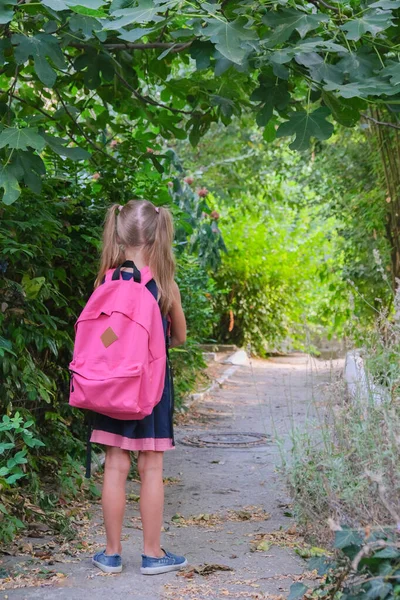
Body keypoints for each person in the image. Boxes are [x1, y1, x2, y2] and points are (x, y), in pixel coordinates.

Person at [90, 199, 187, 575]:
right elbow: (179, 337)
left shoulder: (105, 283)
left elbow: (103, 340)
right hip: (151, 387)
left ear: (117, 234)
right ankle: (152, 554)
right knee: (151, 467)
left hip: (111, 386)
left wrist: (120, 339)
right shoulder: (164, 286)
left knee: (115, 465)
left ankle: (111, 554)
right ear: (160, 234)